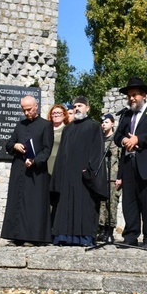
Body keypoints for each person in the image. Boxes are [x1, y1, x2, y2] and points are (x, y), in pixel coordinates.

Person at [114, 77, 147, 250]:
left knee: (146, 202)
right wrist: (124, 141)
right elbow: (117, 137)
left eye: (135, 95)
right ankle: (130, 236)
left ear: (144, 95)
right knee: (129, 202)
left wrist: (139, 139)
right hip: (129, 163)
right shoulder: (126, 115)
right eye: (129, 95)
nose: (131, 98)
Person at [51, 96, 107, 246]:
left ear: (87, 108)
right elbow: (62, 153)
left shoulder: (94, 127)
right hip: (68, 175)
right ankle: (64, 236)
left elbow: (97, 151)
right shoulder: (68, 129)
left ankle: (85, 238)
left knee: (85, 206)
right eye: (75, 106)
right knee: (66, 206)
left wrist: (89, 171)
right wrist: (59, 175)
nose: (77, 108)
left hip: (84, 176)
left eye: (80, 106)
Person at [1, 96, 54, 246]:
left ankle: (32, 237)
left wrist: (35, 160)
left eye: (29, 109)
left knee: (33, 204)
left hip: (36, 172)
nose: (26, 113)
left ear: (36, 106)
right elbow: (9, 144)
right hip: (19, 169)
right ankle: (16, 236)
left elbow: (46, 150)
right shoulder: (20, 125)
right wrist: (15, 145)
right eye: (23, 110)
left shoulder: (45, 125)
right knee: (16, 201)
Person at [97, 113, 122, 242]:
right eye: (102, 122)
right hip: (101, 177)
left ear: (112, 123)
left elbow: (121, 159)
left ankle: (110, 231)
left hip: (113, 177)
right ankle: (102, 230)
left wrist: (120, 177)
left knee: (112, 204)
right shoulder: (99, 139)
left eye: (106, 122)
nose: (103, 124)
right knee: (101, 204)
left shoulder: (116, 140)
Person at [46, 103, 70, 228]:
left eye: (58, 113)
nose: (55, 115)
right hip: (45, 167)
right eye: (53, 113)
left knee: (57, 199)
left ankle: (57, 227)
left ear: (64, 115)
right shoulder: (46, 128)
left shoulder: (67, 129)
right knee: (46, 199)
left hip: (60, 167)